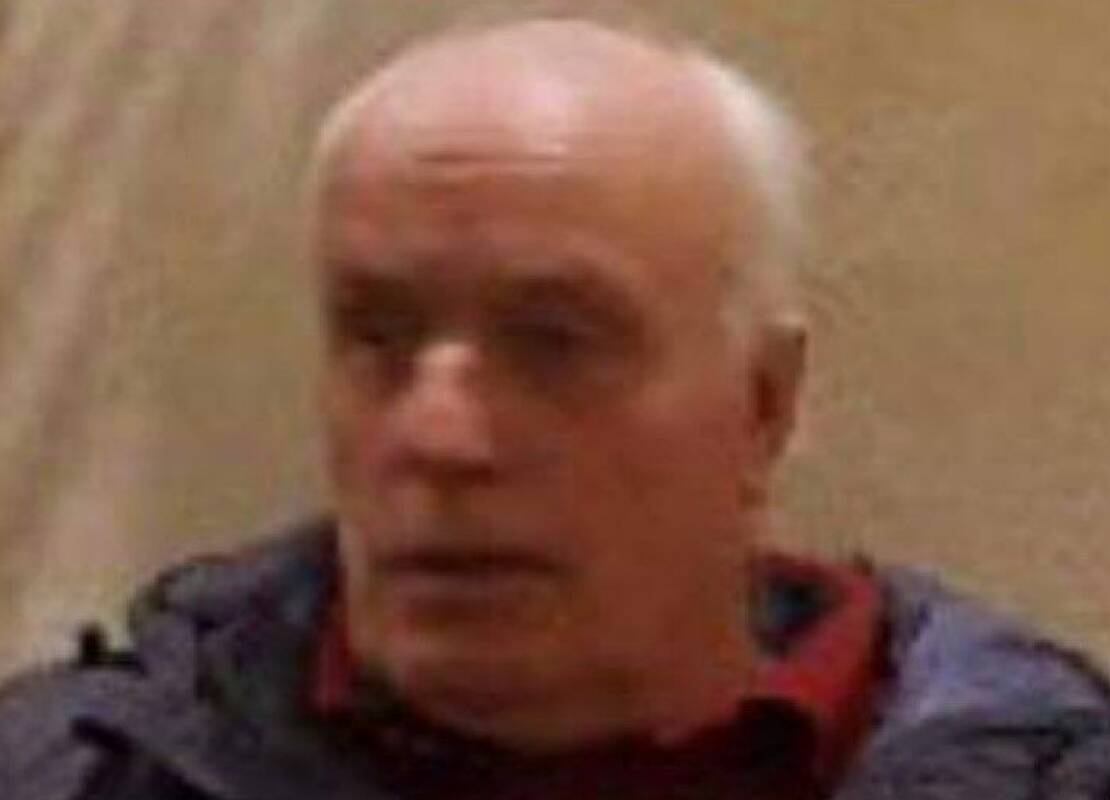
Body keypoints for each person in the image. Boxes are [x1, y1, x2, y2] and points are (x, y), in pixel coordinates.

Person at [3, 12, 1109, 800]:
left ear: (764, 404)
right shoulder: (82, 768)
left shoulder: (1026, 766)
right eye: (377, 337)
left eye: (554, 343)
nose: (437, 437)